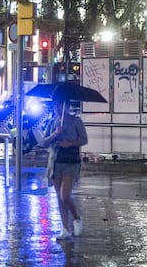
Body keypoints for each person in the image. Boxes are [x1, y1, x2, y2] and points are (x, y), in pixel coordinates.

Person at [44, 100, 88, 240]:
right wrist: (56, 134)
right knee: (59, 197)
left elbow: (84, 139)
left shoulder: (76, 121)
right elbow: (44, 142)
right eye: (55, 106)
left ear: (67, 107)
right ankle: (65, 228)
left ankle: (76, 217)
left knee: (64, 195)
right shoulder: (53, 122)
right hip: (56, 162)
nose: (57, 108)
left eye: (60, 105)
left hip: (71, 162)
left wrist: (70, 143)